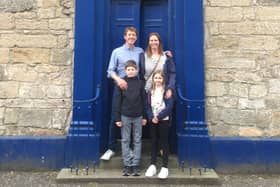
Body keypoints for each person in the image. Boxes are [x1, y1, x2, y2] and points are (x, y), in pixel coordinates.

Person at [101, 26, 144, 160]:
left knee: (133, 117)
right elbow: (110, 71)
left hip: (135, 88)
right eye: (129, 35)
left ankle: (131, 149)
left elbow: (149, 61)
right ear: (124, 37)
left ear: (136, 37)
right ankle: (111, 148)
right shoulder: (117, 52)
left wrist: (164, 53)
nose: (131, 37)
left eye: (133, 35)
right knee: (116, 116)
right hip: (120, 87)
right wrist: (119, 80)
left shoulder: (140, 51)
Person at [114, 60, 147, 176]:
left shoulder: (140, 84)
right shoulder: (122, 83)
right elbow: (117, 101)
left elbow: (144, 101)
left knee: (137, 140)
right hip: (125, 116)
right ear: (125, 71)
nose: (131, 71)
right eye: (128, 70)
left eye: (133, 69)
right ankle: (127, 165)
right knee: (126, 140)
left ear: (136, 70)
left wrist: (145, 116)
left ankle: (136, 165)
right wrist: (117, 118)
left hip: (138, 116)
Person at [144, 70, 174, 179]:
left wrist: (159, 117)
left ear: (163, 79)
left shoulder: (167, 91)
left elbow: (169, 106)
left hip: (163, 120)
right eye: (156, 78)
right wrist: (152, 117)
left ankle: (164, 167)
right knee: (154, 142)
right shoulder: (149, 91)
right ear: (153, 79)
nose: (157, 80)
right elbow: (147, 106)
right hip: (153, 121)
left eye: (160, 78)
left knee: (164, 142)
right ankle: (152, 165)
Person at [139, 32, 176, 97]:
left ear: (159, 42)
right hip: (147, 91)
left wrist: (170, 88)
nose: (153, 42)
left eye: (155, 40)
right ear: (149, 42)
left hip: (163, 92)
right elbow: (140, 74)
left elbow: (172, 73)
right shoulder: (142, 56)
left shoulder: (166, 56)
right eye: (151, 40)